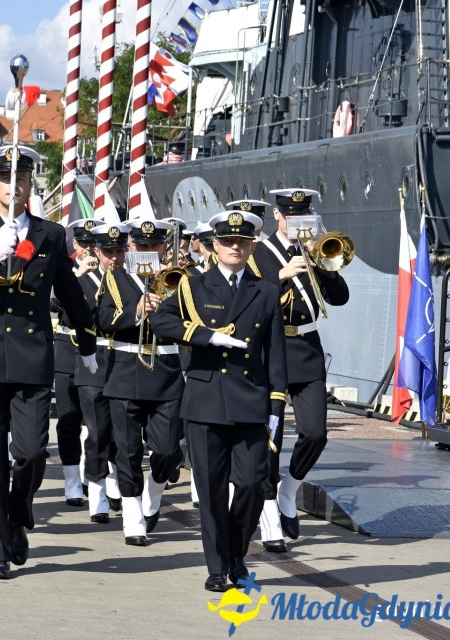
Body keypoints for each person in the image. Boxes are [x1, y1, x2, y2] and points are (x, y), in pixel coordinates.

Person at [0, 144, 98, 580]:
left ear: (31, 182)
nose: (14, 185)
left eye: (22, 178)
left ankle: (17, 513)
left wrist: (87, 343)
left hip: (33, 357)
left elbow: (70, 292)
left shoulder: (50, 234)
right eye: (5, 178)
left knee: (32, 453)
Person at [152, 209, 287, 592]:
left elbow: (275, 355)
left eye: (242, 242)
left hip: (250, 402)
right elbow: (161, 321)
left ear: (251, 246)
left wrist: (276, 407)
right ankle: (217, 568)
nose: (235, 248)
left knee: (251, 485)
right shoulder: (194, 286)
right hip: (206, 401)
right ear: (214, 245)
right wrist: (205, 337)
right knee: (211, 492)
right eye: (228, 242)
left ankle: (237, 552)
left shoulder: (266, 291)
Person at [251, 188, 349, 549]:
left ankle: (288, 491)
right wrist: (279, 276)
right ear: (278, 215)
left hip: (306, 349)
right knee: (270, 438)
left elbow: (339, 298)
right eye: (291, 215)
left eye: (303, 215)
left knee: (316, 432)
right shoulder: (259, 251)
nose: (297, 221)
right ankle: (268, 519)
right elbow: (244, 296)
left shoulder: (315, 249)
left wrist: (319, 263)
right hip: (270, 349)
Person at [96, 218, 185, 546]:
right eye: (141, 246)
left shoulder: (179, 279)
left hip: (166, 372)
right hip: (125, 372)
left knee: (166, 450)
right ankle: (133, 513)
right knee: (129, 450)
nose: (147, 251)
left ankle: (154, 491)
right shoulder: (114, 279)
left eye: (153, 246)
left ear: (163, 247)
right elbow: (103, 320)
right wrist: (135, 310)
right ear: (131, 247)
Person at [78, 222, 129, 523]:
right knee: (97, 432)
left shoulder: (133, 280)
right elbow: (60, 305)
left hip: (123, 363)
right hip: (93, 361)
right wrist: (79, 276)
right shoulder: (85, 278)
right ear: (97, 251)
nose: (114, 257)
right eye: (108, 251)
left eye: (119, 250)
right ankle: (96, 492)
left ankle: (116, 483)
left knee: (122, 434)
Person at [52, 218, 100, 508]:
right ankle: (71, 481)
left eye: (93, 243)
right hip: (67, 347)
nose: (88, 248)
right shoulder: (65, 267)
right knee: (68, 418)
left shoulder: (110, 271)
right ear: (74, 244)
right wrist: (78, 275)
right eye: (83, 243)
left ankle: (92, 476)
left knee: (95, 420)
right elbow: (51, 303)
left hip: (97, 348)